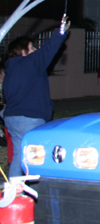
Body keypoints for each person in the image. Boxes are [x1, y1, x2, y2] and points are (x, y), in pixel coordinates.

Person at [4, 21, 70, 177]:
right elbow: (49, 49)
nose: (35, 50)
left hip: (12, 119)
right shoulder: (30, 63)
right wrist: (61, 32)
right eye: (32, 47)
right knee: (39, 155)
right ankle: (39, 189)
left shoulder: (10, 72)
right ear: (24, 51)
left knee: (20, 156)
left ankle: (16, 192)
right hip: (29, 119)